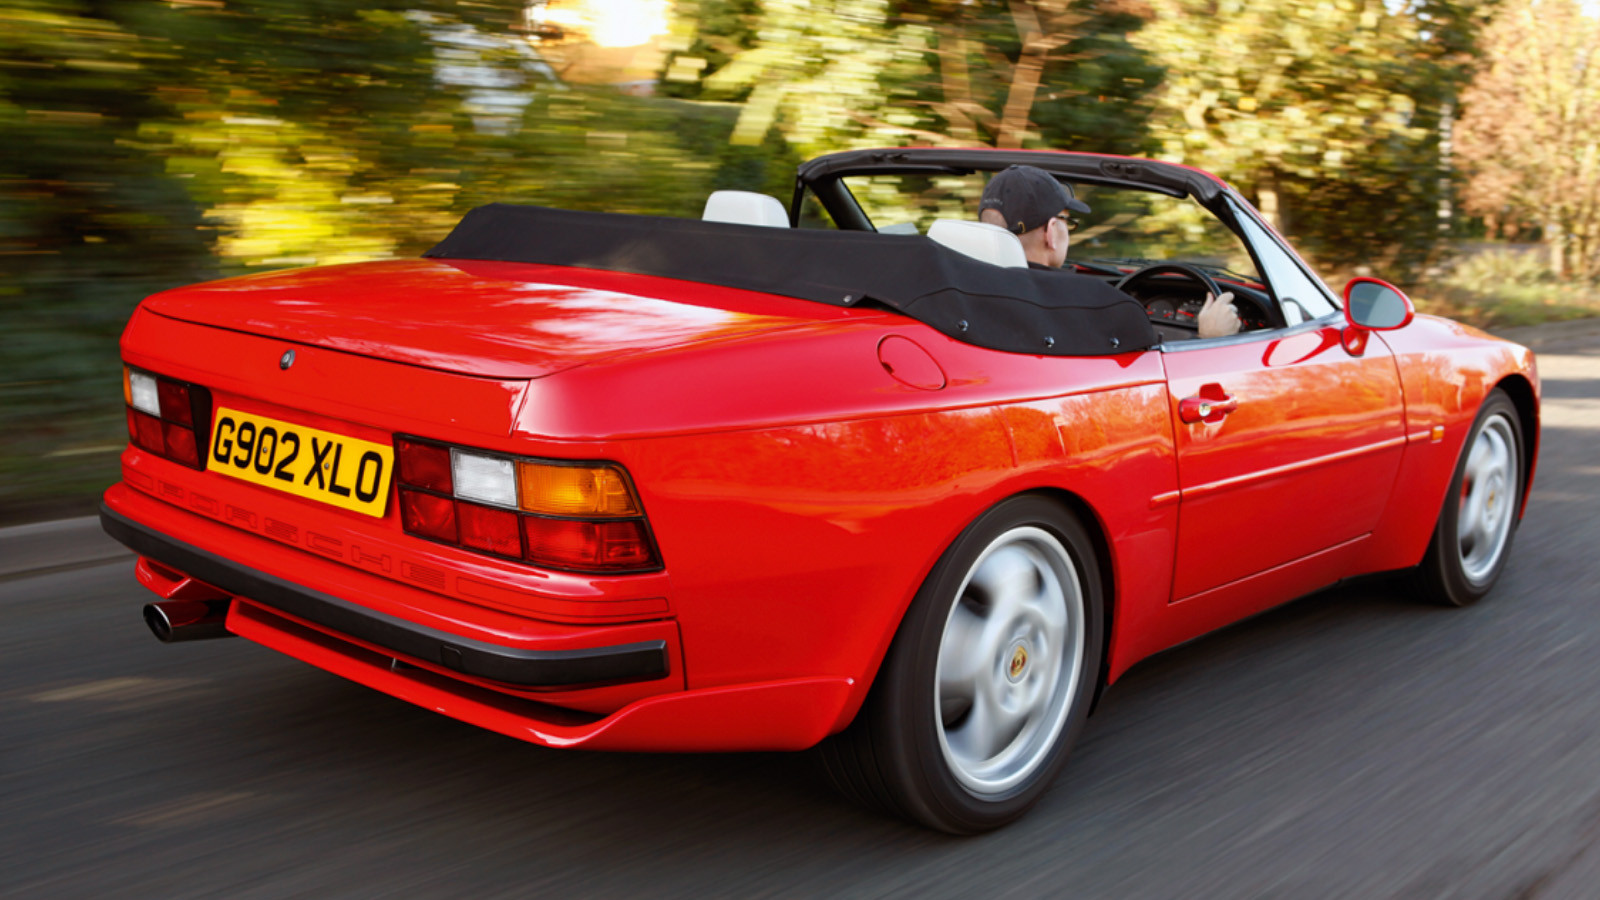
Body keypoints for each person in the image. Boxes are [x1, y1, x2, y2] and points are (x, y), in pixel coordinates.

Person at [978, 165, 1240, 339]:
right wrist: (1211, 337)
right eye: (1067, 221)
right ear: (1051, 232)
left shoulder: (964, 288)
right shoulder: (1099, 305)